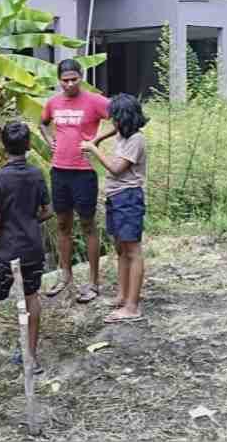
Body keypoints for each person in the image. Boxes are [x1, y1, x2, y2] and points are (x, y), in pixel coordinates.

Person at [0, 121, 52, 374]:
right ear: (29, 145)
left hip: (7, 251)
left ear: (3, 147)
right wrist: (29, 221)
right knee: (31, 297)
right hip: (32, 248)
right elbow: (47, 211)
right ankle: (31, 358)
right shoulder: (36, 175)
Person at [40, 58, 115, 303]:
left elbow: (121, 116)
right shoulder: (53, 102)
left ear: (81, 77)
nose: (70, 84)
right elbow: (43, 122)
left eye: (74, 79)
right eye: (65, 80)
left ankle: (93, 282)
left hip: (84, 172)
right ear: (59, 80)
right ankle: (65, 276)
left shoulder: (94, 101)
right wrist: (48, 138)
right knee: (63, 225)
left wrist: (97, 141)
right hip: (59, 170)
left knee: (88, 226)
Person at [80, 94, 148, 323]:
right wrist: (99, 137)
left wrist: (93, 148)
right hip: (116, 197)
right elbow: (113, 132)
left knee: (132, 251)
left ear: (124, 119)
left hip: (128, 198)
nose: (112, 123)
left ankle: (132, 306)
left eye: (114, 119)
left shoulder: (135, 140)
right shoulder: (124, 133)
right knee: (120, 249)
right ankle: (122, 295)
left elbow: (116, 168)